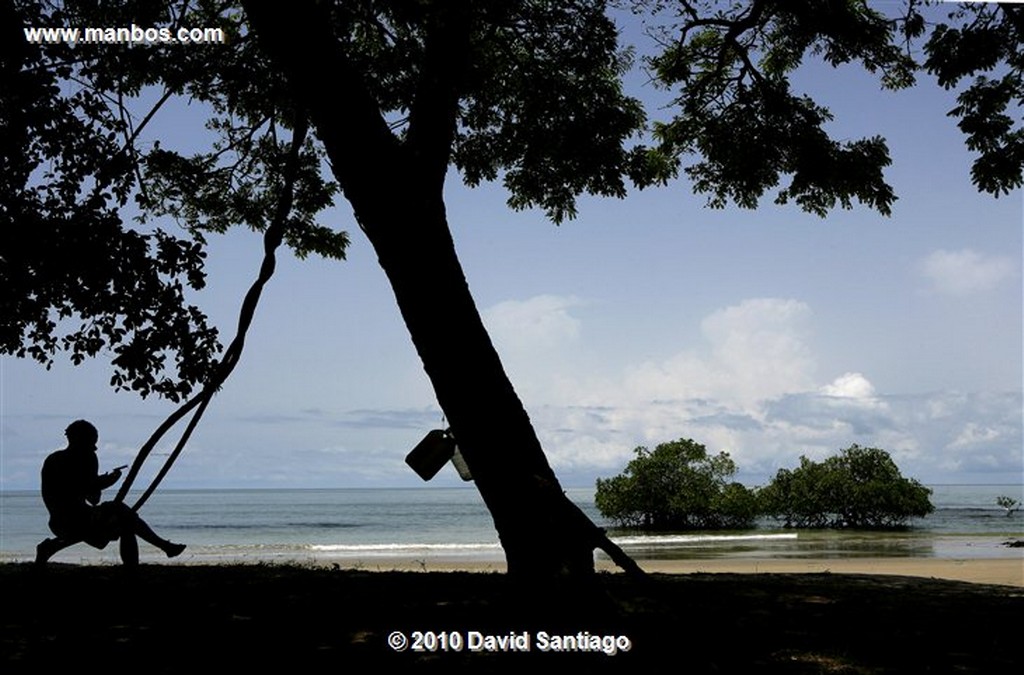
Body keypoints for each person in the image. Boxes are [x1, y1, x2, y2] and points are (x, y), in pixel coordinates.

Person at [36, 420, 186, 566]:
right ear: (77, 440)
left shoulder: (85, 458)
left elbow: (93, 498)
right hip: (67, 521)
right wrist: (104, 482)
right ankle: (161, 548)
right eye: (90, 442)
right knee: (123, 514)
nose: (94, 448)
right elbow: (75, 491)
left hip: (83, 516)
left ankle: (139, 564)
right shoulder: (57, 461)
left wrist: (100, 482)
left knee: (126, 520)